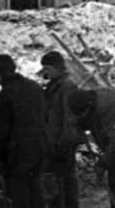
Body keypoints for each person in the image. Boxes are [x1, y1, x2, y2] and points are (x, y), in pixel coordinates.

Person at [0, 54, 49, 208]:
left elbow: (2, 129)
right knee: (36, 189)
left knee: (19, 193)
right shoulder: (34, 86)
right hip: (40, 147)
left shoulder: (6, 93)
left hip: (19, 152)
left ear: (1, 74)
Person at [39, 51, 84, 208]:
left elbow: (70, 117)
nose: (45, 72)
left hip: (62, 141)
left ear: (57, 68)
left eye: (48, 68)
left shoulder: (67, 86)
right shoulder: (55, 86)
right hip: (54, 140)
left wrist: (64, 143)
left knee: (65, 180)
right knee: (59, 180)